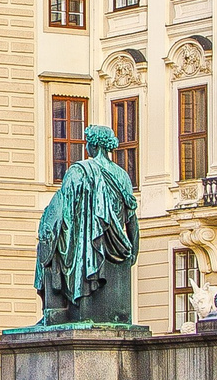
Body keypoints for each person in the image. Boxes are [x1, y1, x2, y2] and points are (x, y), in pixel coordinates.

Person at [33, 123, 139, 323]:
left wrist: (49, 234)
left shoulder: (79, 170)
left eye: (87, 143)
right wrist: (133, 249)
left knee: (49, 249)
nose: (86, 147)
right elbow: (131, 219)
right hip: (117, 248)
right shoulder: (123, 176)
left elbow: (65, 211)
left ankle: (55, 312)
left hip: (86, 248)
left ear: (94, 145)